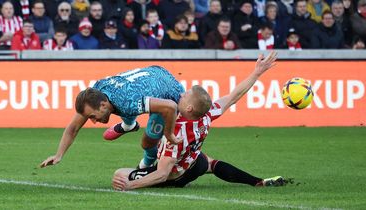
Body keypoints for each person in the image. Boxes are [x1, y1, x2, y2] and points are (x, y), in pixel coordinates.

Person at [111, 52, 287, 190]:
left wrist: (130, 185)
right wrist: (256, 73)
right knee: (210, 163)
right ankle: (257, 182)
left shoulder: (176, 131)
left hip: (176, 175)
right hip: (197, 163)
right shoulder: (208, 113)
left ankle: (174, 180)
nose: (181, 94)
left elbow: (162, 174)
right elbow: (233, 96)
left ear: (189, 108)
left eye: (185, 95)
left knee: (120, 174)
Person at [40, 66, 185, 169]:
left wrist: (169, 134)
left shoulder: (128, 102)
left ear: (102, 105)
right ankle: (129, 125)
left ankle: (144, 167)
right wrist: (59, 155)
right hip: (151, 75)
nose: (94, 121)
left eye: (92, 117)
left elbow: (170, 106)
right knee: (122, 106)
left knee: (148, 142)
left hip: (170, 94)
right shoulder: (96, 91)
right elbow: (73, 128)